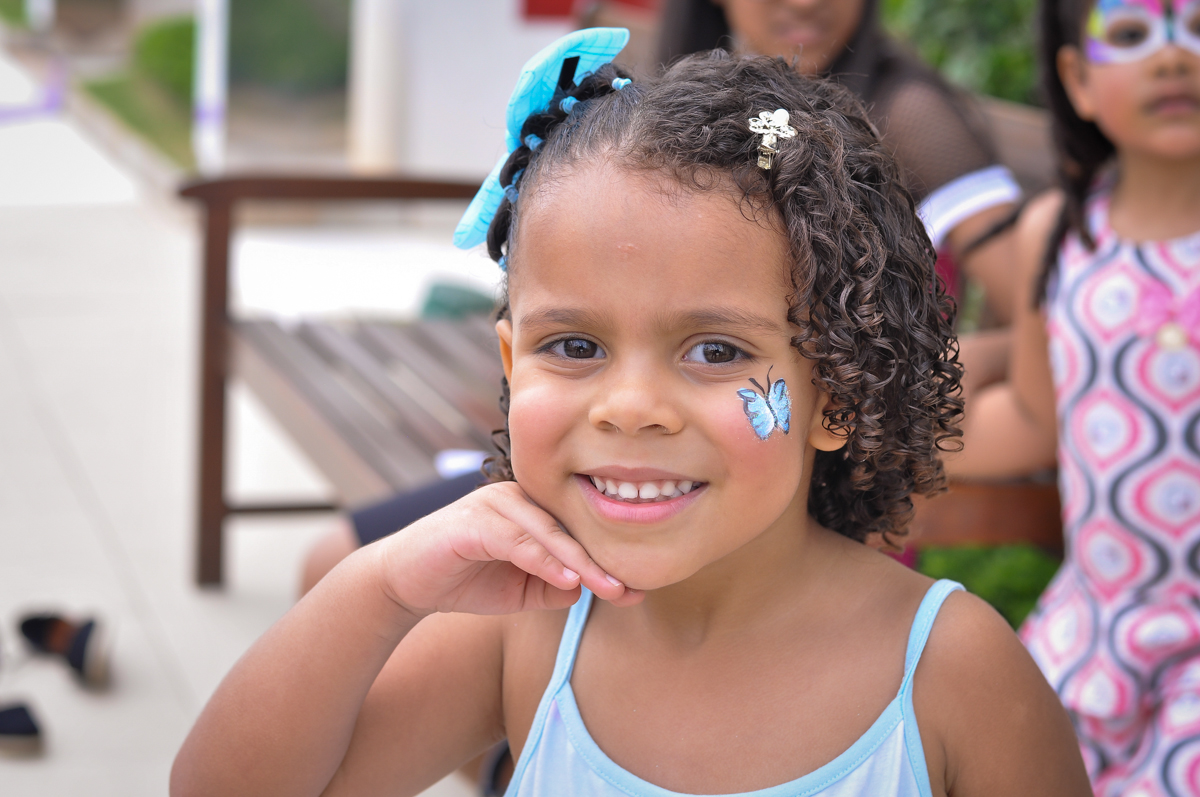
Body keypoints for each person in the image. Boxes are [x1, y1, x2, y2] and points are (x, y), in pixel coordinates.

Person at [171, 32, 1090, 797]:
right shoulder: (525, 635)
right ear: (509, 363)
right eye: (574, 346)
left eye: (716, 350)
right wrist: (381, 591)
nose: (633, 408)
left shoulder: (951, 673)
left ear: (835, 392)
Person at [299, 0, 1024, 597]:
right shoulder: (670, 103)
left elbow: (1044, 311)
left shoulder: (908, 112)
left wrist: (874, 369)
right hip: (626, 468)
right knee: (338, 559)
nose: (804, 1)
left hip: (780, 483)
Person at [946, 0, 1200, 792]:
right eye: (1130, 34)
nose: (1172, 57)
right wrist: (863, 425)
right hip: (1094, 627)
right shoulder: (1059, 234)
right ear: (1078, 81)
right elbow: (1030, 418)